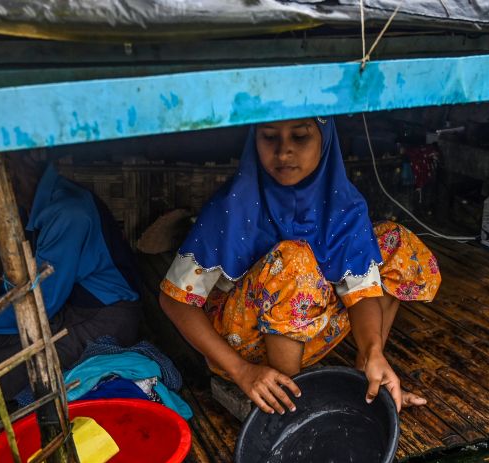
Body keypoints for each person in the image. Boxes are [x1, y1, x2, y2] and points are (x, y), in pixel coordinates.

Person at [160, 117, 441, 415]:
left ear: (324, 140)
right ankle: (290, 399)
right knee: (294, 259)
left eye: (300, 137)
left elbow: (362, 288)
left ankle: (368, 375)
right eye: (269, 137)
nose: (283, 152)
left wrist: (373, 352)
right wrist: (242, 371)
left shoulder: (344, 205)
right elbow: (174, 300)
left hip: (307, 325)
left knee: (397, 243)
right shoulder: (232, 205)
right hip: (242, 345)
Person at [0, 152, 143, 424]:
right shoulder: (32, 206)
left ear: (5, 168)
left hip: (105, 318)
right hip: (66, 308)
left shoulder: (68, 212)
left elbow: (41, 300)